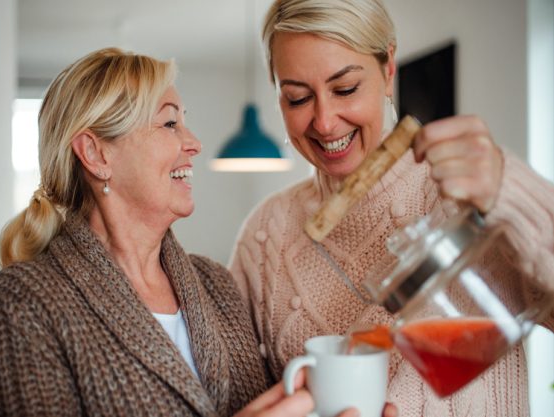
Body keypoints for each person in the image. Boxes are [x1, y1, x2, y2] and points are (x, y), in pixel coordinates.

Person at [0, 47, 326, 417]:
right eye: (169, 124)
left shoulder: (216, 286)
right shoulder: (17, 307)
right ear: (96, 155)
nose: (194, 142)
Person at [229, 1, 554, 416]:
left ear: (388, 70)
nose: (325, 122)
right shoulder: (265, 235)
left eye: (345, 88)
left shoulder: (470, 199)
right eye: (297, 98)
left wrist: (512, 189)